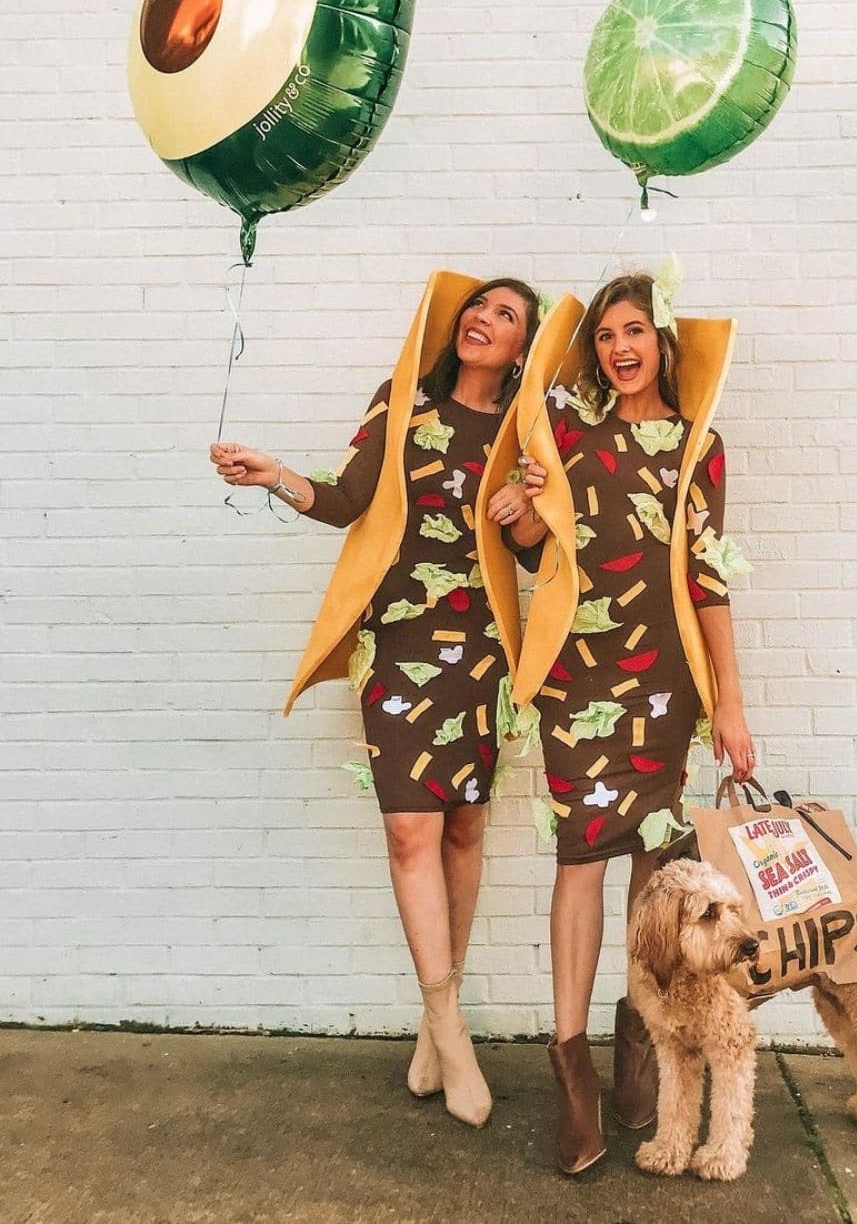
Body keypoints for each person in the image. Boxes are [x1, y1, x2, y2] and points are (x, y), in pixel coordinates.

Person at [210, 273, 546, 1129]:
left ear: (520, 348)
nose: (484, 318)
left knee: (465, 828)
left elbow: (540, 557)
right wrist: (275, 475)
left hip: (482, 649)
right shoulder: (399, 402)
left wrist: (529, 505)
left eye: (506, 315)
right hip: (397, 645)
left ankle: (438, 1024)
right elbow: (349, 501)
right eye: (480, 307)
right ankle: (450, 1027)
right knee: (410, 830)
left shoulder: (526, 428)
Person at [496, 267, 755, 1173]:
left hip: (666, 683)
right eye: (606, 335)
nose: (619, 347)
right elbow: (535, 546)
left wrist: (729, 699)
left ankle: (643, 1047)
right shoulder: (565, 432)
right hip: (578, 675)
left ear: (663, 341)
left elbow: (708, 574)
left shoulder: (698, 448)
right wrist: (519, 517)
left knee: (656, 875)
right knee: (579, 860)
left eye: (635, 330)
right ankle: (573, 1081)